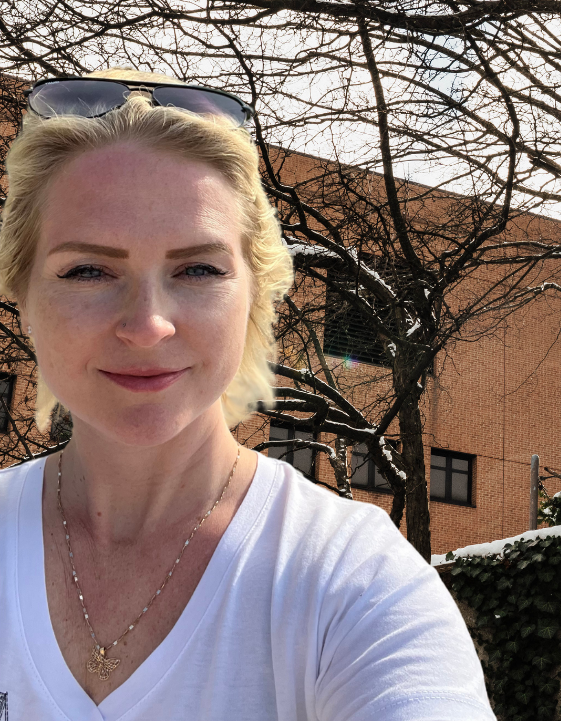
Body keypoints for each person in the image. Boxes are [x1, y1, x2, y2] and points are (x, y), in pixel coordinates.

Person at [0, 69, 496, 719]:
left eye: (198, 269)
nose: (149, 325)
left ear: (254, 297)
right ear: (25, 296)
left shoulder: (354, 580)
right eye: (88, 269)